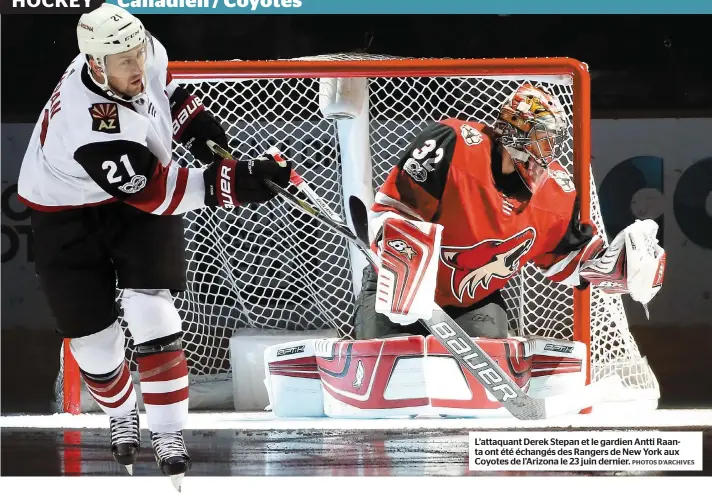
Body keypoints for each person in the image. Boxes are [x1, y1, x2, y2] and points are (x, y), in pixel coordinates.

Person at [17, 3, 291, 488]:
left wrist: (195, 123)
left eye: (137, 50)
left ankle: (168, 434)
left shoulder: (140, 52)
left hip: (136, 189)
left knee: (152, 311)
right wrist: (237, 180)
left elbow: (163, 85)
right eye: (123, 60)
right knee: (95, 345)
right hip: (65, 211)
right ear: (96, 65)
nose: (136, 64)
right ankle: (122, 413)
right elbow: (157, 193)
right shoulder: (89, 123)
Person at [354, 83, 667, 340]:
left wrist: (617, 267)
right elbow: (393, 210)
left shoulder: (555, 193)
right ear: (512, 133)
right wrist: (399, 270)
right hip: (397, 291)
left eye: (551, 145)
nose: (546, 156)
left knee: (483, 385)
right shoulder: (451, 146)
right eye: (541, 142)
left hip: (472, 302)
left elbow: (571, 259)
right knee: (388, 365)